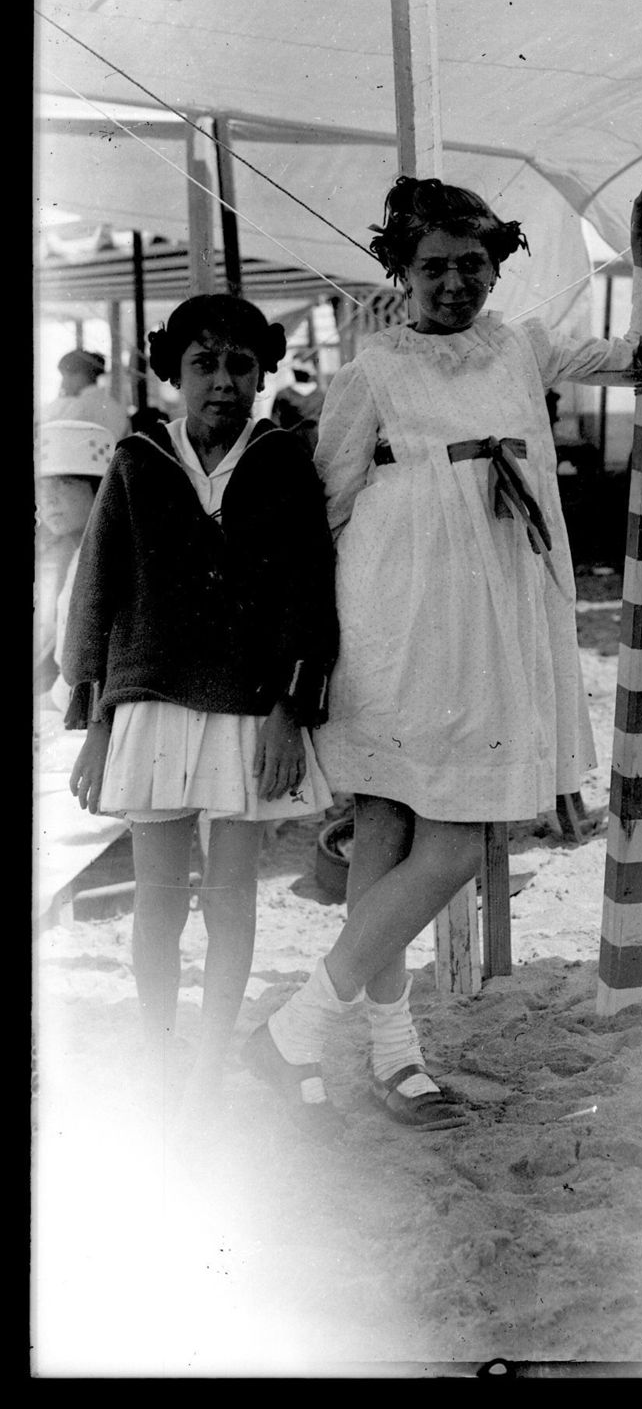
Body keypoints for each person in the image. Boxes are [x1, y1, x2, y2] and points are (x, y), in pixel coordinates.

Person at [243, 172, 642, 1133]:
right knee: (408, 839)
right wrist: (309, 658)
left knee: (434, 837)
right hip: (393, 625)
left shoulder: (521, 346)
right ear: (399, 271)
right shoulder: (372, 370)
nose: (455, 282)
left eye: (474, 264)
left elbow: (628, 352)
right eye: (435, 266)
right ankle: (356, 1047)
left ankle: (331, 1041)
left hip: (490, 625)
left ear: (498, 267)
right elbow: (327, 507)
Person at [61, 294, 339, 1122]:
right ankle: (156, 1050)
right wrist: (96, 723)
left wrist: (293, 708)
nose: (223, 381)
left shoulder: (285, 460)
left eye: (240, 364)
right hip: (150, 704)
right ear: (173, 373)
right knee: (157, 894)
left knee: (230, 891)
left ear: (263, 373)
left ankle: (212, 1057)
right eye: (204, 364)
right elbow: (100, 590)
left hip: (252, 710)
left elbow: (307, 592)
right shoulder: (139, 460)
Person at [35, 420, 114, 696]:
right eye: (43, 487)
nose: (49, 500)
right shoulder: (77, 555)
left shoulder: (109, 561)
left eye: (65, 483)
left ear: (99, 488)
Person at [41, 348, 131, 441]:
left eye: (65, 376)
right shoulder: (116, 406)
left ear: (80, 375)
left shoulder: (79, 406)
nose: (63, 383)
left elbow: (53, 439)